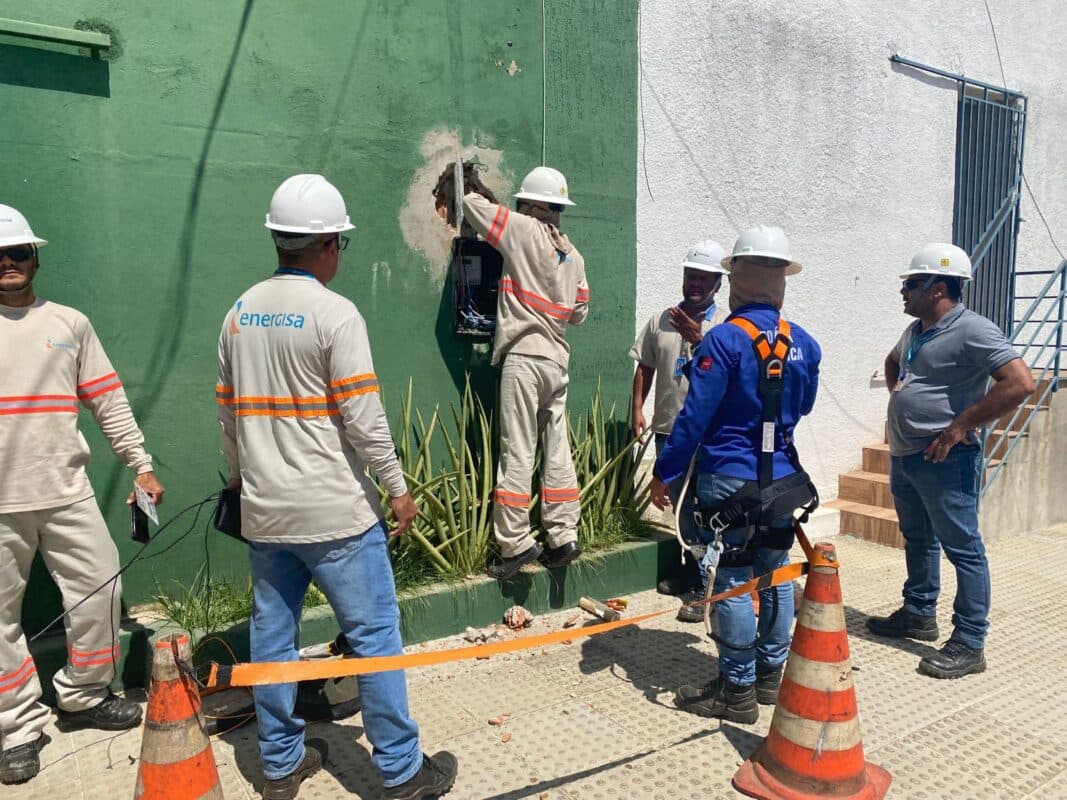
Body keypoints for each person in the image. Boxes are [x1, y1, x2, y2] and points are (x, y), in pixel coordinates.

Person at [217, 175, 456, 800]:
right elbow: (364, 417)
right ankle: (403, 771)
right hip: (336, 516)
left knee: (274, 637)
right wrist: (397, 488)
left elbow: (228, 417)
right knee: (375, 638)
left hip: (266, 515)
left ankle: (279, 765)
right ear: (326, 243)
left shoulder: (238, 313)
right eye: (340, 244)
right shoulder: (335, 313)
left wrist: (244, 484)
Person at [0, 205, 164, 785]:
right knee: (0, 620)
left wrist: (140, 466)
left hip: (66, 490)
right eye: (0, 255)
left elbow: (108, 401)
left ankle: (84, 696)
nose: (9, 263)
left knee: (101, 586)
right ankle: (17, 730)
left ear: (36, 257)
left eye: (18, 252)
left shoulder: (70, 324)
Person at [650, 225, 821, 724]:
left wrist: (665, 473)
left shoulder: (722, 342)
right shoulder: (804, 345)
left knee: (730, 577)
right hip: (783, 479)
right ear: (782, 282)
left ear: (737, 281)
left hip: (727, 476)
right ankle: (769, 675)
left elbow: (693, 418)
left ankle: (737, 690)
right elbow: (804, 405)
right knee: (773, 571)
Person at [866, 243, 1033, 679]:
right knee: (918, 539)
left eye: (911, 284)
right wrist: (901, 394)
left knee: (964, 549)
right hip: (907, 455)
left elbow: (1020, 383)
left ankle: (971, 642)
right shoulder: (918, 329)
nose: (903, 291)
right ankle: (919, 613)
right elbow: (892, 362)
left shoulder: (974, 330)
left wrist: (959, 427)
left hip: (946, 458)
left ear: (938, 287)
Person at [433, 163, 590, 580]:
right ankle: (563, 535)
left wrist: (465, 183)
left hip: (524, 358)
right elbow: (580, 313)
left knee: (517, 450)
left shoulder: (520, 230)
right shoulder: (572, 254)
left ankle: (514, 544)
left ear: (530, 203)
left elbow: (470, 205)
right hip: (557, 361)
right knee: (556, 450)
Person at [630, 240, 729, 622]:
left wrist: (698, 338)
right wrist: (638, 408)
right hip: (669, 430)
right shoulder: (662, 320)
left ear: (718, 283)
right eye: (691, 276)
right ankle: (694, 572)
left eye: (704, 279)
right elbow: (646, 366)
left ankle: (708, 590)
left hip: (707, 435)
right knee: (682, 509)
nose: (695, 285)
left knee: (706, 509)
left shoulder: (724, 326)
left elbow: (729, 369)